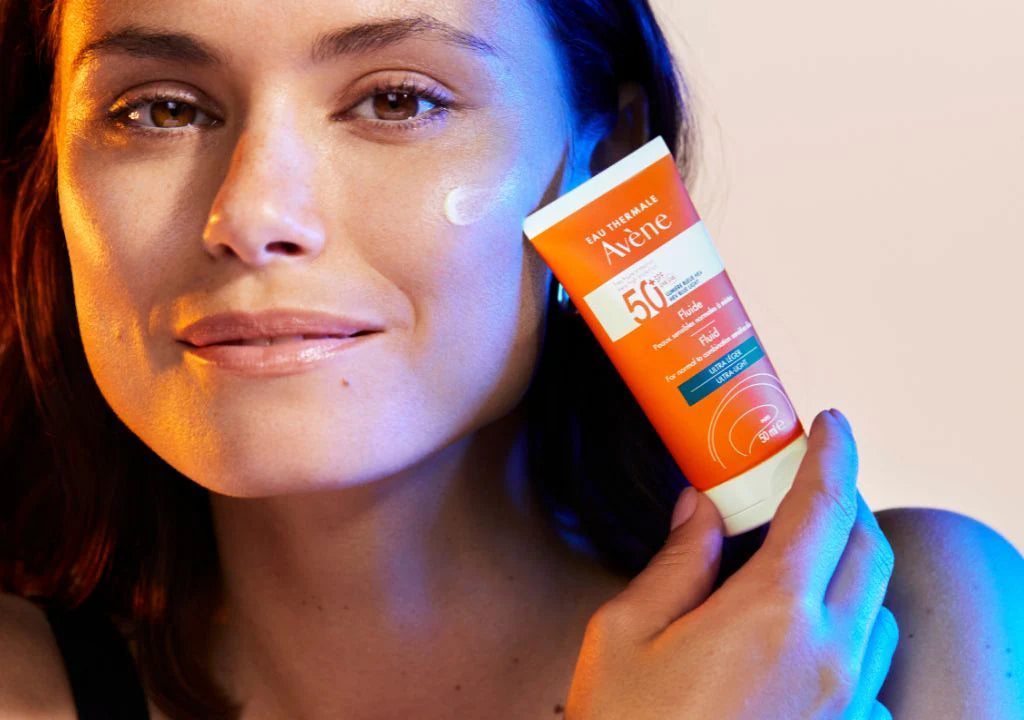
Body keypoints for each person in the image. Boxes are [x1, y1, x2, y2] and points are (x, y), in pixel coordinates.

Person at [0, 0, 1021, 718]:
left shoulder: (907, 634)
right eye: (162, 109)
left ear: (605, 161)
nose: (253, 215)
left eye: (395, 101)